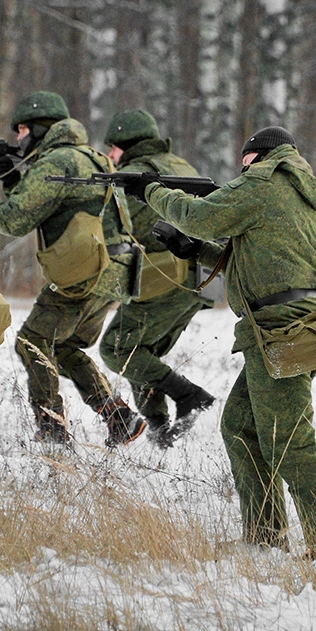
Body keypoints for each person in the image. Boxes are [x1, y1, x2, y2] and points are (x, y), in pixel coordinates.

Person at [134, 126, 316, 553]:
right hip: (284, 324)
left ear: (257, 156)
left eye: (243, 161)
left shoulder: (266, 181)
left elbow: (200, 217)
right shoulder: (294, 189)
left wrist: (151, 192)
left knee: (289, 439)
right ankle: (266, 535)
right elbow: (260, 264)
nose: (240, 169)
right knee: (240, 427)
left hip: (279, 328)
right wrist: (195, 251)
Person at [0, 91, 145, 447]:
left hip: (86, 271)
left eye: (24, 129)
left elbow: (14, 219)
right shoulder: (92, 157)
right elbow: (40, 203)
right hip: (116, 272)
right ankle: (119, 417)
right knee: (67, 347)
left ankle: (52, 429)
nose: (19, 138)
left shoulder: (56, 162)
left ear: (43, 129)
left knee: (33, 343)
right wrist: (6, 174)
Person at [96, 109, 215, 447]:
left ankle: (190, 395)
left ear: (127, 145)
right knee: (141, 353)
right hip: (200, 277)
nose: (110, 156)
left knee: (116, 349)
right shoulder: (181, 165)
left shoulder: (132, 174)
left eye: (113, 149)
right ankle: (160, 432)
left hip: (163, 276)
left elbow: (112, 227)